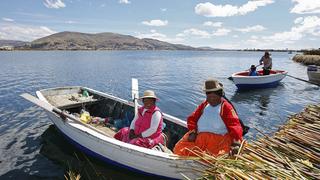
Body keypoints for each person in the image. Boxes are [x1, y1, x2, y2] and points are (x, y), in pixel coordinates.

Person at [173, 79, 243, 157]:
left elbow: (234, 125)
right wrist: (193, 131)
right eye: (209, 97)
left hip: (218, 142)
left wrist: (236, 143)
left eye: (214, 97)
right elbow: (192, 118)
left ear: (220, 95)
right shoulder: (204, 105)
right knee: (179, 149)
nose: (211, 99)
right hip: (199, 138)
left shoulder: (226, 107)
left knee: (214, 157)